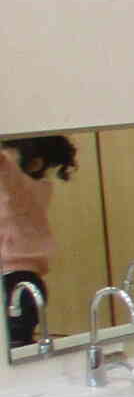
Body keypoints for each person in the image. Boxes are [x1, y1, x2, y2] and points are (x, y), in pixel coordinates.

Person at [1, 134, 76, 346]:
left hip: (16, 282)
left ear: (35, 163)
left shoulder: (22, 192)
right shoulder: (34, 190)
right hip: (20, 280)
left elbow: (9, 175)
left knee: (16, 348)